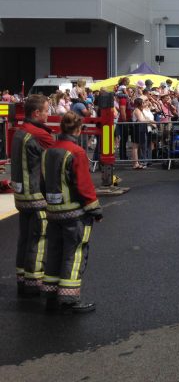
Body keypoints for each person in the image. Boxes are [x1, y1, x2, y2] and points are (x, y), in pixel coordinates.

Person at [40, 111, 102, 314]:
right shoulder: (76, 152)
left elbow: (42, 182)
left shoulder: (48, 152)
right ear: (79, 129)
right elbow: (83, 185)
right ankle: (69, 299)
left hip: (53, 212)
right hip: (73, 213)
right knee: (74, 254)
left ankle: (50, 295)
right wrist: (95, 209)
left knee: (54, 252)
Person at [10, 94, 55, 298]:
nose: (49, 113)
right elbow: (57, 160)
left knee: (25, 238)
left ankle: (22, 278)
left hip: (21, 196)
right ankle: (34, 281)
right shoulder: (40, 135)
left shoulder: (20, 132)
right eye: (46, 110)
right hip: (36, 195)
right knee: (38, 239)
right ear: (36, 113)